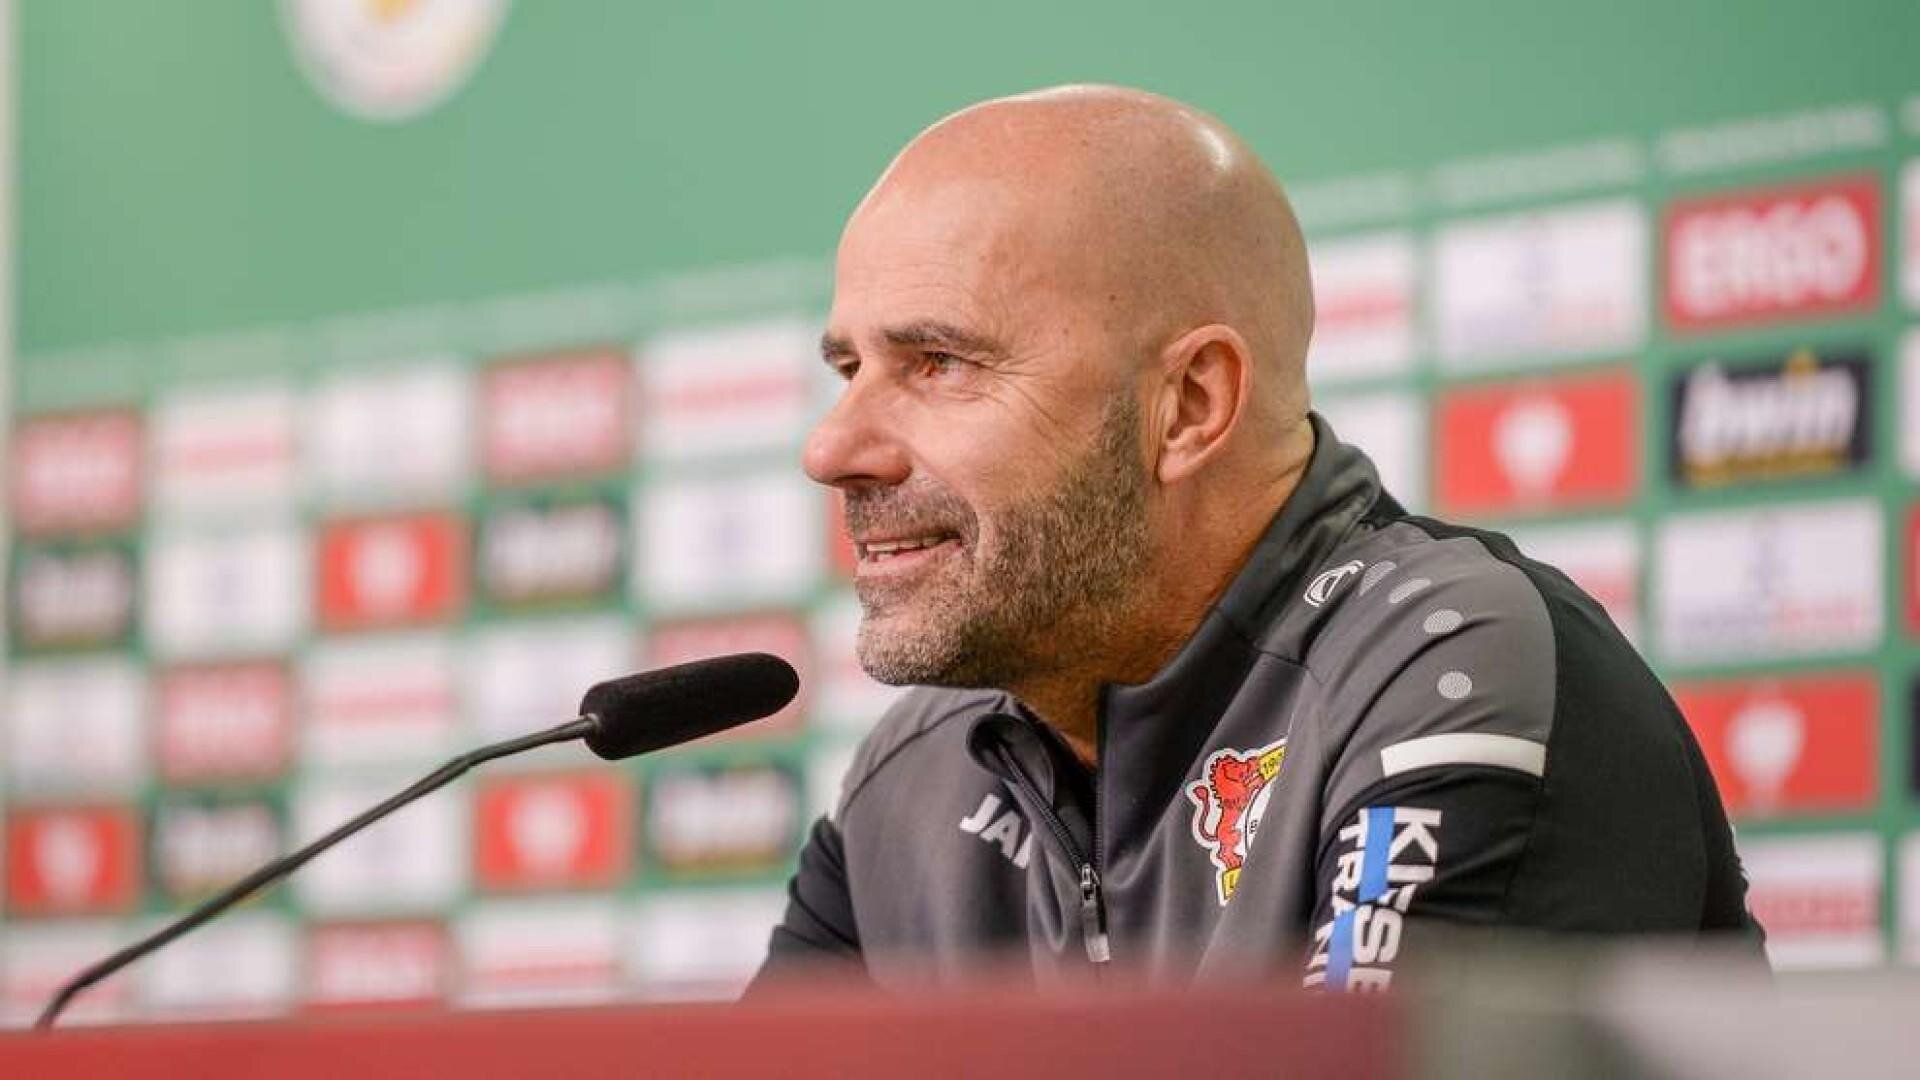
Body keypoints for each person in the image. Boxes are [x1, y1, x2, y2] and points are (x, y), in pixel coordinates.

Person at [755, 85, 1761, 991]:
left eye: (938, 362)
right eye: (849, 368)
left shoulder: (1442, 668)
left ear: (1190, 405)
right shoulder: (915, 775)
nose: (833, 447)